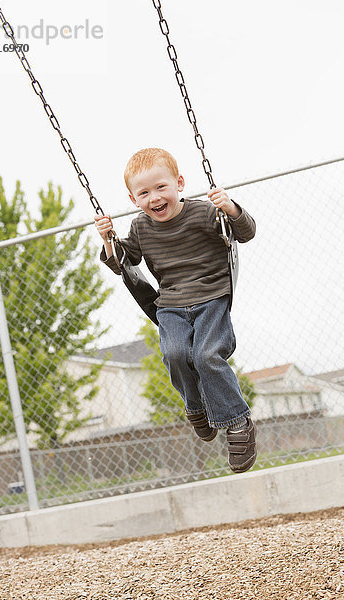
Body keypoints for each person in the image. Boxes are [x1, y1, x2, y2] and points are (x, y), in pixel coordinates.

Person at [94, 148, 257, 473]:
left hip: (212, 296)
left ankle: (237, 422)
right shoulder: (141, 227)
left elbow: (245, 232)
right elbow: (125, 262)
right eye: (144, 192)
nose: (154, 197)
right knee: (175, 354)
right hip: (170, 304)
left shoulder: (204, 213)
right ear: (133, 198)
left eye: (161, 187)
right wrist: (109, 240)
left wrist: (231, 208)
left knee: (207, 355)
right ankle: (196, 408)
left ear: (179, 183)